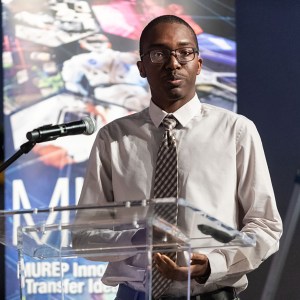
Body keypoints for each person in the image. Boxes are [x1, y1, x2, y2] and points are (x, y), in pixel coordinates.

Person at [77, 15, 282, 300]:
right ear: (141, 67)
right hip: (135, 294)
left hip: (210, 292)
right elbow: (84, 237)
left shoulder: (236, 131)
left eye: (184, 53)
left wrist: (213, 264)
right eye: (159, 53)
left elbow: (265, 225)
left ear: (198, 64)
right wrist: (136, 240)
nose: (173, 63)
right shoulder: (113, 138)